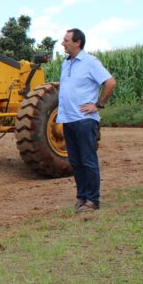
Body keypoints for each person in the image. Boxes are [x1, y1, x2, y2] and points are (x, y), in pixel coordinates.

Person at [57, 28, 116, 213]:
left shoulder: (90, 62)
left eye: (66, 40)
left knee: (88, 160)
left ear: (77, 43)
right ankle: (81, 196)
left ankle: (92, 199)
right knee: (75, 161)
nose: (62, 43)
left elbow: (110, 82)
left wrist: (98, 105)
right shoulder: (66, 63)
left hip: (84, 120)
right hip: (67, 120)